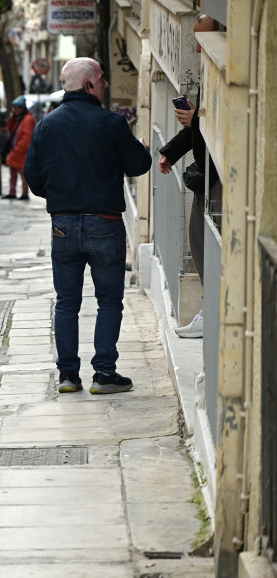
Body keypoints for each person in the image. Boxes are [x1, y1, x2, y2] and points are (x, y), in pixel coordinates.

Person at [24, 57, 152, 394]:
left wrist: (60, 196)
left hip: (62, 224)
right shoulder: (111, 123)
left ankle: (68, 376)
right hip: (105, 223)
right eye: (102, 79)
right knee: (109, 301)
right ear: (88, 85)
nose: (106, 84)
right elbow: (138, 164)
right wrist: (141, 149)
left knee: (67, 301)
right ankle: (104, 374)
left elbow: (34, 180)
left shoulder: (45, 125)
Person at [158, 13, 222, 339]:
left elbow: (212, 127)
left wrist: (195, 119)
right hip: (206, 179)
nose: (196, 47)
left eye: (201, 37)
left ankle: (213, 313)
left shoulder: (222, 76)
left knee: (206, 247)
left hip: (218, 181)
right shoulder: (208, 71)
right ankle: (209, 310)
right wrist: (170, 150)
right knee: (198, 244)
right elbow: (199, 124)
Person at [2, 95, 35, 200]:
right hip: (16, 150)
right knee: (13, 174)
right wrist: (11, 119)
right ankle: (12, 192)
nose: (14, 110)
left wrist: (18, 150)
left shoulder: (27, 119)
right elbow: (12, 130)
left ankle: (24, 193)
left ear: (21, 108)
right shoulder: (18, 119)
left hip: (21, 152)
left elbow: (27, 138)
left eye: (16, 108)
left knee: (23, 174)